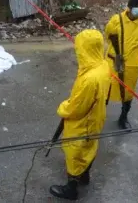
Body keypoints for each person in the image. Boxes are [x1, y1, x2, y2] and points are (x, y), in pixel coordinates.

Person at [49, 29, 111, 200]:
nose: (77, 51)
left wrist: (63, 107)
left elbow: (76, 109)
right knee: (89, 147)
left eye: (79, 48)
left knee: (75, 151)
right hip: (96, 117)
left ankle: (71, 188)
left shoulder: (89, 79)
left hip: (83, 122)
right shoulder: (103, 65)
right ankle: (84, 175)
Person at [105, 0, 138, 129]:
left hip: (132, 65)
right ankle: (99, 114)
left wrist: (132, 54)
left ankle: (123, 117)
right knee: (106, 89)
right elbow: (108, 36)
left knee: (127, 92)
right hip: (113, 61)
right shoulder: (116, 20)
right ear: (130, 7)